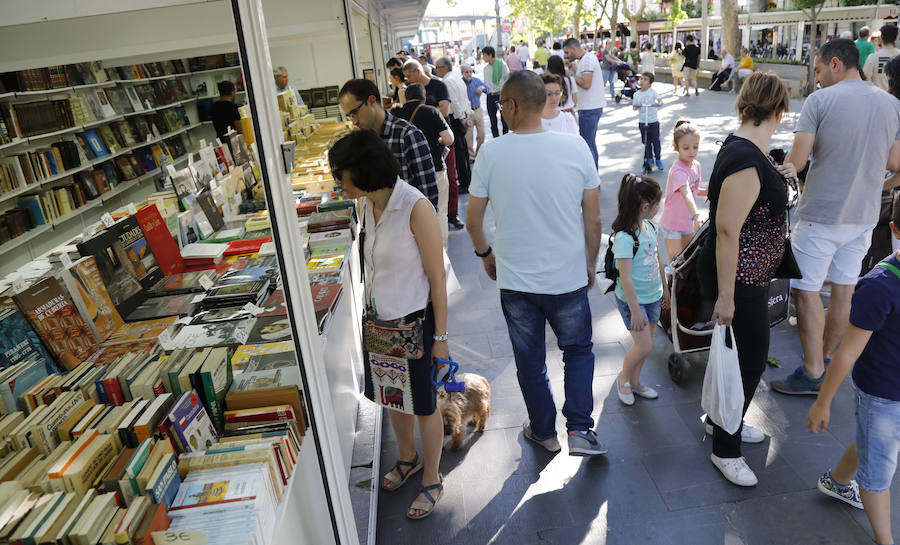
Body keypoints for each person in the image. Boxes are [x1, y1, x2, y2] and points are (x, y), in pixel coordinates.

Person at [465, 70, 606, 457]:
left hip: (516, 280)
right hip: (568, 276)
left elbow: (473, 222)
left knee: (530, 361)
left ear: (510, 105)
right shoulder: (575, 147)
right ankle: (580, 429)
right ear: (543, 102)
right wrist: (590, 263)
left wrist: (485, 255)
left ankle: (544, 431)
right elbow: (593, 219)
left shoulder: (492, 153)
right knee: (578, 350)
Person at [328, 130, 448, 520]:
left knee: (426, 404)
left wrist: (441, 338)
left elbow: (437, 278)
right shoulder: (367, 206)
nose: (337, 182)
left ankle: (432, 476)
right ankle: (407, 457)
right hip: (379, 325)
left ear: (362, 171)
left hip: (414, 324)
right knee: (393, 398)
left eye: (340, 174)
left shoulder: (415, 207)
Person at [772, 39, 900, 395]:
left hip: (820, 215)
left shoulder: (820, 101)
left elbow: (795, 163)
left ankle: (813, 371)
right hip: (864, 216)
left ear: (835, 65)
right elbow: (897, 164)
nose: (816, 78)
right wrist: (876, 184)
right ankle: (826, 359)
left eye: (817, 70)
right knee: (844, 290)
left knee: (804, 290)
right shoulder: (891, 104)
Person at [697, 72, 792, 486]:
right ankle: (725, 447)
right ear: (779, 110)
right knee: (750, 359)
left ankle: (722, 420)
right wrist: (726, 296)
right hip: (740, 279)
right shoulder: (747, 158)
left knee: (738, 359)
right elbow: (726, 230)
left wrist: (779, 172)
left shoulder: (751, 151)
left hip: (748, 275)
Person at [807, 193, 900, 545]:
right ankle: (886, 540)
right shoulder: (879, 287)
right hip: (883, 392)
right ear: (894, 231)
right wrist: (822, 402)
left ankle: (837, 482)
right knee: (878, 471)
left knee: (872, 439)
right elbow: (847, 353)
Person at [610, 174, 669, 406]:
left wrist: (665, 289)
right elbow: (625, 279)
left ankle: (635, 382)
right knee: (644, 345)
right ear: (646, 206)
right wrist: (635, 311)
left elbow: (658, 259)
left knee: (644, 347)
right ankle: (624, 378)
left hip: (653, 296)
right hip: (634, 302)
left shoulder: (651, 227)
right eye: (657, 204)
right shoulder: (625, 238)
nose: (658, 208)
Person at [338, 78, 439, 208]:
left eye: (354, 112)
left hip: (408, 223)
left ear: (371, 101)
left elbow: (429, 194)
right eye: (349, 116)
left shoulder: (407, 135)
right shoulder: (362, 141)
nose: (353, 121)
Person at [396, 83, 454, 246]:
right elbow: (449, 139)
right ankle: (441, 254)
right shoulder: (431, 111)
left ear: (406, 98)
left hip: (407, 174)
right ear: (423, 97)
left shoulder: (396, 115)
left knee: (413, 215)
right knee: (440, 212)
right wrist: (439, 140)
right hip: (434, 168)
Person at [660, 120, 707, 261]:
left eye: (695, 147)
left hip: (687, 221)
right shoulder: (678, 171)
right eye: (686, 148)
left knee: (688, 261)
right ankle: (669, 284)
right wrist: (697, 215)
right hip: (673, 223)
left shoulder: (696, 165)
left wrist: (707, 192)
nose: (692, 151)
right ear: (676, 147)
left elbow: (693, 190)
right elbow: (686, 192)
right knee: (676, 264)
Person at [433, 57, 472, 225]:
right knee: (462, 151)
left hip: (455, 118)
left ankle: (464, 181)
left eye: (437, 67)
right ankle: (466, 180)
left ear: (443, 67)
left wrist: (460, 117)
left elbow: (453, 102)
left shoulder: (447, 81)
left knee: (458, 154)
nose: (436, 70)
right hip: (462, 115)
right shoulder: (457, 77)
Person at [564, 37, 606, 167]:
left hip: (590, 108)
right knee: (590, 143)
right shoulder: (585, 59)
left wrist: (571, 74)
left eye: (567, 52)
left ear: (574, 49)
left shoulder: (587, 60)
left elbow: (586, 83)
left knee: (587, 145)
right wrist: (573, 69)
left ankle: (592, 180)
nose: (566, 56)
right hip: (590, 107)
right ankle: (594, 179)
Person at [633, 72, 663, 173]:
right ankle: (649, 158)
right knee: (646, 141)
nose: (642, 81)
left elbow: (660, 101)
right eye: (641, 78)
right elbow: (634, 107)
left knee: (656, 141)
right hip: (642, 121)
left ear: (650, 84)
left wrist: (657, 104)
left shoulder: (652, 92)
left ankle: (658, 159)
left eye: (645, 79)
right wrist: (638, 105)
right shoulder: (636, 94)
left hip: (653, 121)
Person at [481, 46, 510, 137]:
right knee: (492, 120)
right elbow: (486, 83)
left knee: (504, 118)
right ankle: (495, 138)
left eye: (484, 55)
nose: (483, 57)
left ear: (490, 55)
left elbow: (507, 79)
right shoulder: (485, 68)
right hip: (490, 96)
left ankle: (506, 137)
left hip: (500, 96)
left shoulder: (501, 64)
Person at [462, 64, 489, 160]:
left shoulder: (476, 81)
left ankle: (478, 154)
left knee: (482, 134)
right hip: (467, 112)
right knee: (469, 137)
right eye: (466, 72)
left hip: (478, 110)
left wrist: (482, 88)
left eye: (470, 72)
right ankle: (471, 157)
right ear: (462, 73)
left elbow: (487, 89)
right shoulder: (461, 83)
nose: (469, 74)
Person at [863, 24, 900, 91]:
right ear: (896, 38)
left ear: (881, 38)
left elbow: (866, 79)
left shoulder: (872, 57)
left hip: (878, 97)